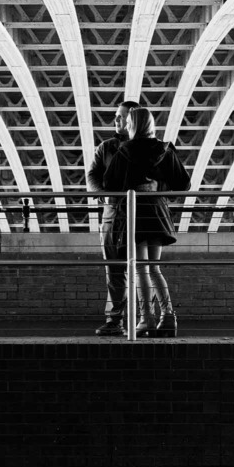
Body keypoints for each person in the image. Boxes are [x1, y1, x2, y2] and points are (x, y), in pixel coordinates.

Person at [101, 106, 190, 337]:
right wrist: (158, 187)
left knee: (140, 268)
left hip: (135, 213)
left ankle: (146, 320)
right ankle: (168, 317)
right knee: (154, 267)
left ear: (133, 125)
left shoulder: (125, 150)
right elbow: (183, 183)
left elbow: (109, 183)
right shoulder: (165, 149)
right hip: (157, 212)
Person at [87, 100, 140, 336]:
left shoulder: (143, 147)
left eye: (120, 116)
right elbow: (92, 175)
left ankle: (140, 319)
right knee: (115, 271)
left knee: (141, 270)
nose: (116, 120)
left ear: (133, 120)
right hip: (112, 216)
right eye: (116, 116)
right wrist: (102, 196)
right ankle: (115, 320)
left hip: (137, 217)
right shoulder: (105, 147)